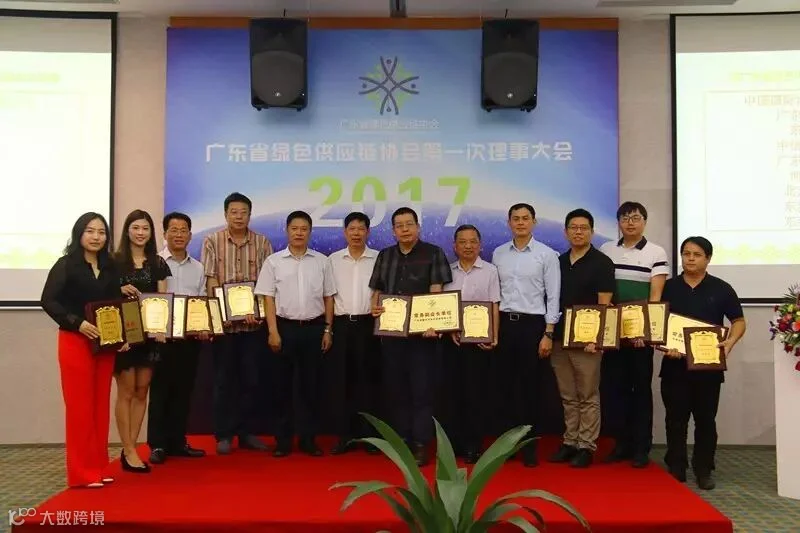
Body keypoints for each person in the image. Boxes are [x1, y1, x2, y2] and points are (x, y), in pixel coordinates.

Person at [40, 212, 127, 488]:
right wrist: (77, 323)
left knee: (100, 406)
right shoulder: (66, 265)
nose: (96, 237)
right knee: (79, 408)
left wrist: (122, 335)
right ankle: (81, 473)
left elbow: (116, 303)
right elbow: (49, 301)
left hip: (105, 344)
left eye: (101, 232)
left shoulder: (111, 267)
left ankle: (98, 467)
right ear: (79, 233)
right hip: (75, 341)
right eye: (90, 231)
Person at [660, 236, 746, 490]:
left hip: (708, 367)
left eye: (697, 254)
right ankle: (677, 465)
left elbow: (739, 321)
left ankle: (703, 468)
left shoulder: (721, 288)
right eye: (686, 253)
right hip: (674, 365)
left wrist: (730, 342)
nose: (690, 259)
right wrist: (664, 345)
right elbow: (656, 323)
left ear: (708, 258)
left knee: (706, 420)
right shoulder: (668, 287)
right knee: (675, 419)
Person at [369, 207, 452, 466]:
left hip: (422, 337)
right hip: (392, 336)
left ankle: (420, 444)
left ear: (418, 227)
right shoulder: (385, 255)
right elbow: (377, 290)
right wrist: (374, 308)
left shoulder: (433, 253)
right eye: (399, 225)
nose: (404, 229)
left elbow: (436, 291)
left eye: (409, 224)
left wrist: (434, 322)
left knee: (421, 391)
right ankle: (402, 440)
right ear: (393, 230)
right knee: (396, 390)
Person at [256, 210, 335, 457]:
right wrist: (272, 331)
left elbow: (329, 297)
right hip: (284, 329)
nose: (299, 233)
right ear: (287, 231)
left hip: (314, 329)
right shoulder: (274, 262)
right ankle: (283, 440)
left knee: (311, 387)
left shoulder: (322, 261)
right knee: (281, 387)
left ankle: (308, 439)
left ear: (310, 232)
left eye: (304, 229)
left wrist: (328, 329)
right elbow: (268, 298)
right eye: (294, 228)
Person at [201, 192, 273, 455]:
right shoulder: (212, 241)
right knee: (224, 381)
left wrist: (259, 311)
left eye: (243, 212)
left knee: (251, 380)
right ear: (225, 214)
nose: (239, 217)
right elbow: (210, 280)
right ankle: (224, 434)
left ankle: (246, 432)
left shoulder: (262, 242)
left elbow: (267, 283)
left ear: (250, 215)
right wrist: (218, 314)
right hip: (225, 326)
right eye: (234, 212)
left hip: (253, 325)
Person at [599, 201, 669, 468]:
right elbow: (603, 291)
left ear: (644, 222)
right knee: (614, 390)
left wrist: (646, 331)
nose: (630, 222)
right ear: (618, 222)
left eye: (636, 218)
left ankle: (641, 447)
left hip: (640, 336)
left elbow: (655, 296)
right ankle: (621, 444)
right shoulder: (607, 250)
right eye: (625, 218)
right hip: (614, 334)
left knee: (640, 390)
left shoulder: (656, 252)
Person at [491, 203, 560, 467]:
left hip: (533, 326)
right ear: (509, 222)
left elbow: (553, 296)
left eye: (525, 218)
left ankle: (529, 446)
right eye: (516, 219)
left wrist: (548, 332)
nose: (520, 223)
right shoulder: (499, 254)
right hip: (505, 325)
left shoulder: (546, 255)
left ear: (534, 222)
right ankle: (507, 446)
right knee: (505, 387)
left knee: (531, 388)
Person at [548, 209, 615, 468]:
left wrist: (596, 339)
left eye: (583, 228)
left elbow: (605, 304)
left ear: (592, 232)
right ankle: (570, 441)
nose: (578, 232)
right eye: (573, 227)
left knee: (587, 394)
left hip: (588, 341)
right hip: (560, 338)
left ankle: (586, 445)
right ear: (566, 232)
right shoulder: (558, 262)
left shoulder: (602, 263)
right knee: (568, 394)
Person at [113, 209, 171, 473]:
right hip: (124, 337)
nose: (140, 233)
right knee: (126, 391)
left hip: (150, 336)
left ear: (151, 233)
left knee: (141, 390)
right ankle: (128, 449)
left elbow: (162, 298)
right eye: (135, 227)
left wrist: (161, 327)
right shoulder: (114, 262)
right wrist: (118, 289)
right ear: (127, 230)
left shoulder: (157, 263)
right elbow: (104, 297)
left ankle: (132, 447)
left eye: (145, 228)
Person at [147, 212, 207, 464]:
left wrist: (204, 325)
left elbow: (201, 300)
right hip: (162, 339)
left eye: (183, 230)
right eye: (174, 230)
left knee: (184, 391)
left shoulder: (198, 267)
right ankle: (158, 445)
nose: (179, 235)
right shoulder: (154, 263)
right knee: (160, 391)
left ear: (190, 235)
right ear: (164, 234)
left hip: (189, 339)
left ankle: (178, 442)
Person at [443, 224, 500, 464]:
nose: (468, 246)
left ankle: (473, 445)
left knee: (475, 394)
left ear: (480, 245)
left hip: (478, 342)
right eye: (463, 242)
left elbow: (494, 304)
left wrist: (493, 335)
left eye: (473, 241)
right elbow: (442, 305)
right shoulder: (447, 271)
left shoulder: (490, 271)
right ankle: (453, 445)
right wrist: (449, 329)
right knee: (452, 393)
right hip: (451, 342)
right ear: (454, 246)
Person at [327, 212, 381, 455]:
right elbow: (328, 296)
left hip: (368, 325)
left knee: (369, 381)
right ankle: (344, 436)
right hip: (341, 325)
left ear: (368, 232)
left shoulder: (378, 258)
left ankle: (370, 437)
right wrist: (328, 328)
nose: (356, 233)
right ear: (345, 232)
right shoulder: (333, 260)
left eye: (361, 229)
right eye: (352, 228)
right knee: (342, 382)